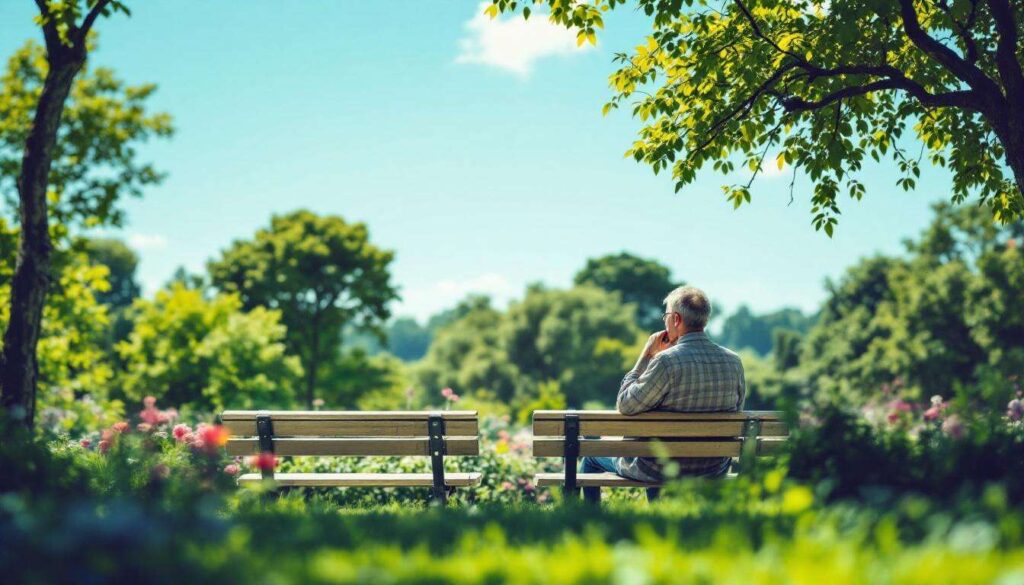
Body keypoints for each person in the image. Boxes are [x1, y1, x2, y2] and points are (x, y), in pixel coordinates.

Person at [579, 285, 745, 503]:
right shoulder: (734, 362)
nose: (664, 322)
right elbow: (737, 411)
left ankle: (585, 521)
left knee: (592, 456)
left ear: (676, 319)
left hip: (660, 468)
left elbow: (626, 405)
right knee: (656, 448)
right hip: (712, 466)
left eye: (666, 316)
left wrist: (646, 356)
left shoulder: (666, 362)